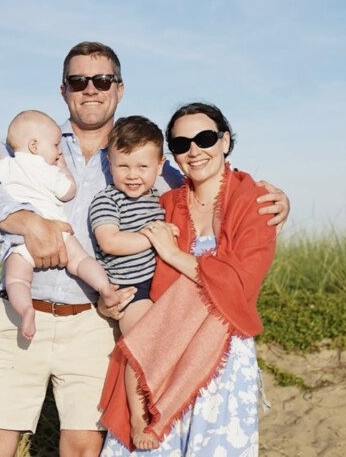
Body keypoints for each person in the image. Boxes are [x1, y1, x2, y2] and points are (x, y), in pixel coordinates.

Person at [0, 41, 290, 457]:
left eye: (103, 80)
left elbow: (200, 172)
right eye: (79, 81)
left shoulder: (139, 155)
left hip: (96, 320)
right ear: (63, 89)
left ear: (119, 88)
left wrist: (273, 198)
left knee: (84, 446)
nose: (91, 89)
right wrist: (27, 222)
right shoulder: (34, 139)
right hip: (20, 306)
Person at [99, 102, 277, 456]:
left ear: (225, 142)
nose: (194, 150)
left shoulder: (255, 200)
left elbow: (241, 285)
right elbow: (127, 268)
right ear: (173, 156)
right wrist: (108, 299)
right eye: (181, 144)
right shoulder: (162, 204)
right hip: (165, 351)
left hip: (222, 358)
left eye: (205, 138)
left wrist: (175, 255)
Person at [0, 109, 119, 339]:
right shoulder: (49, 170)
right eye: (54, 146)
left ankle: (25, 310)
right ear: (34, 146)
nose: (59, 151)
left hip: (19, 244)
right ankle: (104, 287)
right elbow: (69, 191)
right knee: (81, 261)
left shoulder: (8, 165)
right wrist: (63, 168)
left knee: (17, 279)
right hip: (59, 229)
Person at [89, 115, 171, 450]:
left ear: (160, 165)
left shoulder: (158, 201)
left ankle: (163, 408)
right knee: (142, 345)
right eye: (124, 166)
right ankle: (139, 421)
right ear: (110, 163)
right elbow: (110, 242)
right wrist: (155, 238)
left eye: (142, 166)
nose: (133, 175)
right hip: (130, 290)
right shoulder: (107, 200)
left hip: (159, 285)